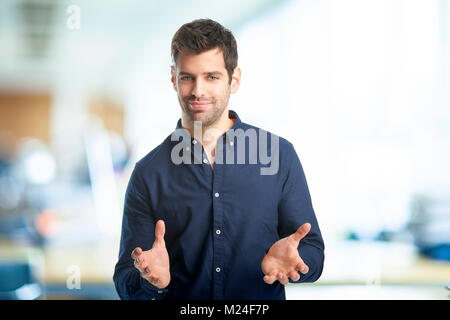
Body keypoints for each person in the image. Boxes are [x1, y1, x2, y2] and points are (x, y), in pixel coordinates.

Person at [113, 18, 324, 300]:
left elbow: (313, 252)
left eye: (212, 77)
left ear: (233, 80)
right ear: (174, 79)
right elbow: (125, 278)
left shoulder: (279, 155)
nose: (198, 90)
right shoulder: (148, 173)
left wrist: (298, 262)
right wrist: (151, 281)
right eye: (187, 77)